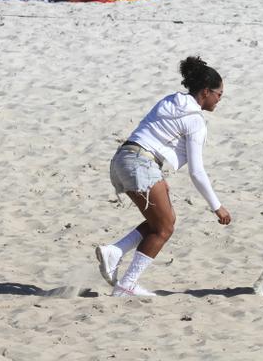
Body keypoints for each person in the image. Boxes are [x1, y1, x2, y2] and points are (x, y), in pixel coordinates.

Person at [96, 55, 232, 297]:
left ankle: (115, 252)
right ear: (205, 92)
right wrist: (217, 206)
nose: (220, 99)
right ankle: (127, 284)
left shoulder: (171, 100)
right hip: (141, 163)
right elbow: (197, 171)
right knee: (165, 228)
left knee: (159, 221)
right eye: (219, 94)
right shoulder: (195, 121)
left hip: (122, 159)